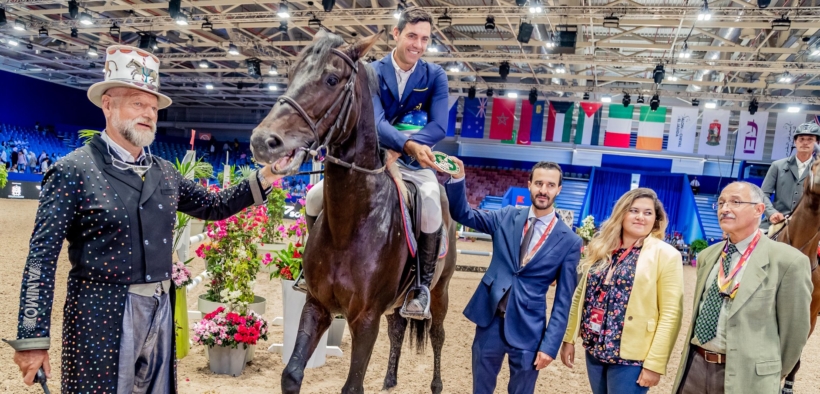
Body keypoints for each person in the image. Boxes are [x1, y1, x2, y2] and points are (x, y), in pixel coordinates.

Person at [7, 45, 282, 393]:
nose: (149, 114)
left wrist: (267, 176)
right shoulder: (73, 170)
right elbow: (40, 260)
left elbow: (214, 206)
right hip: (100, 317)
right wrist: (33, 339)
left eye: (153, 107)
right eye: (138, 104)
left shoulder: (164, 171)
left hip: (160, 309)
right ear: (108, 104)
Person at [303, 6, 450, 319]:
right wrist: (404, 142)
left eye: (425, 39)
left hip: (415, 163)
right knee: (314, 197)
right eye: (412, 35)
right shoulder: (369, 71)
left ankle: (420, 288)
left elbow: (439, 126)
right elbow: (376, 121)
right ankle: (312, 269)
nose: (418, 45)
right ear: (396, 34)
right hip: (370, 161)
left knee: (432, 204)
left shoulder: (435, 76)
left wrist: (409, 149)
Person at [442, 159, 582, 394]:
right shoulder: (506, 216)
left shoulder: (570, 241)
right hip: (490, 321)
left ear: (559, 189)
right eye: (538, 183)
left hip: (530, 330)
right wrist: (458, 178)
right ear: (529, 185)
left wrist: (550, 346)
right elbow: (463, 214)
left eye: (550, 185)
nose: (543, 190)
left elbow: (563, 301)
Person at [672, 181, 812, 394]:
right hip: (696, 367)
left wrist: (768, 372)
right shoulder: (708, 256)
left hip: (747, 376)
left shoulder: (788, 262)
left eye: (735, 202)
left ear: (759, 210)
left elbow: (794, 333)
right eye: (721, 203)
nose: (725, 208)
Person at [560, 188, 684, 394]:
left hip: (632, 357)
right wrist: (569, 338)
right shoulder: (602, 248)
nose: (640, 217)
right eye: (634, 210)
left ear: (656, 219)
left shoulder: (666, 255)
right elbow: (581, 297)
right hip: (595, 348)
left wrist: (655, 364)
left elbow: (671, 314)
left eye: (648, 212)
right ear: (622, 213)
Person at [760, 122, 820, 231]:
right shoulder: (777, 166)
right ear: (795, 142)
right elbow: (763, 193)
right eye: (801, 139)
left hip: (809, 224)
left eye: (810, 139)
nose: (805, 143)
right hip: (778, 221)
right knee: (752, 243)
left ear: (817, 143)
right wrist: (771, 213)